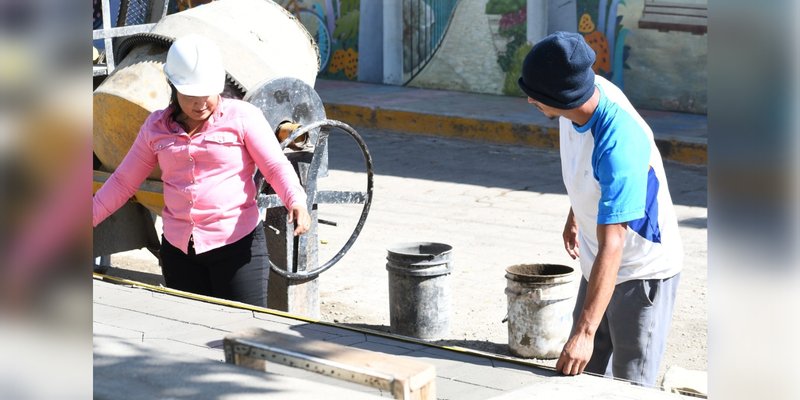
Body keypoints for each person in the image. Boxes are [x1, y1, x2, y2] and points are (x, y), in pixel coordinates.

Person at [92, 35, 311, 307]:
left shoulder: (242, 117)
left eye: (206, 94)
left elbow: (275, 166)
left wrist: (296, 200)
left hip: (238, 249)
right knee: (190, 338)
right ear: (173, 87)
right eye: (190, 96)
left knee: (242, 333)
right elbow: (124, 182)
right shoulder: (156, 127)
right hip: (179, 252)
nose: (200, 104)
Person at [518, 32, 683, 386]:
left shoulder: (619, 143)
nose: (531, 100)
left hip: (640, 273)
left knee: (629, 384)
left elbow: (614, 244)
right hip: (599, 264)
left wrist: (584, 332)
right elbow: (586, 169)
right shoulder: (579, 92)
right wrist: (575, 213)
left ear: (561, 97)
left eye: (536, 98)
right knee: (584, 378)